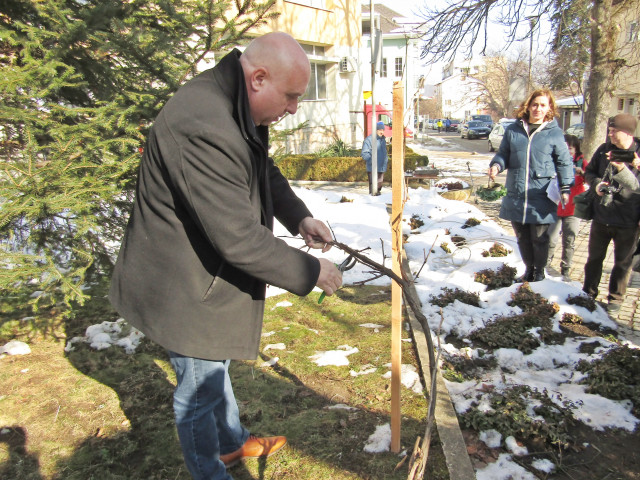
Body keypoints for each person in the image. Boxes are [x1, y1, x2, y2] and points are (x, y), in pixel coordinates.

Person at [109, 32, 343, 480]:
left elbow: (259, 167)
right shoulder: (204, 123)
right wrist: (310, 270)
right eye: (292, 96)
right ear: (258, 78)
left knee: (211, 365)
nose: (294, 108)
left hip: (203, 270)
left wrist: (298, 216)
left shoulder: (234, 102)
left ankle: (233, 444)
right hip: (181, 282)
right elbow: (237, 238)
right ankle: (210, 472)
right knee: (198, 387)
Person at [488, 88, 574, 282]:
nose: (538, 109)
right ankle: (528, 269)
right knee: (522, 238)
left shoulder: (554, 133)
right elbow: (504, 154)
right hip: (517, 192)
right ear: (528, 106)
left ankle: (539, 271)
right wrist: (496, 165)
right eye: (535, 104)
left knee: (540, 238)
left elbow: (564, 162)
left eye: (543, 105)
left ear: (549, 108)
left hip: (541, 194)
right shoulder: (513, 130)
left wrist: (565, 186)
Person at [582, 113, 640, 316]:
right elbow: (589, 172)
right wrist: (597, 184)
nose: (610, 135)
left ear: (628, 132)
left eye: (615, 131)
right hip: (602, 214)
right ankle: (588, 293)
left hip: (629, 218)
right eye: (610, 130)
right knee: (594, 258)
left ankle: (615, 299)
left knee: (623, 263)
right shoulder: (604, 150)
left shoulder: (638, 153)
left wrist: (631, 167)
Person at [547, 134, 588, 280]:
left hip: (573, 208)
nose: (567, 150)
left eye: (570, 148)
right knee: (551, 239)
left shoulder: (582, 162)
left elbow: (591, 178)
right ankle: (546, 266)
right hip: (555, 207)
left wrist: (582, 173)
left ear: (575, 149)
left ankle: (565, 269)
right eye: (564, 147)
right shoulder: (553, 162)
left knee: (569, 239)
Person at [361, 121, 388, 195]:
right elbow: (364, 153)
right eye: (379, 130)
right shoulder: (369, 140)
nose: (381, 132)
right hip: (373, 168)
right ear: (375, 130)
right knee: (373, 189)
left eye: (382, 130)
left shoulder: (382, 140)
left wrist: (385, 161)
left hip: (381, 168)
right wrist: (372, 162)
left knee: (378, 189)